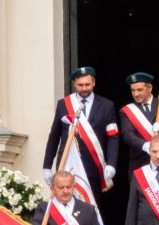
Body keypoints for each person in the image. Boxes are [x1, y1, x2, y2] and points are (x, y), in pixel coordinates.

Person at [42, 66, 119, 197]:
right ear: (74, 84)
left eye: (87, 84)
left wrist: (111, 164)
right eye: (80, 85)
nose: (84, 88)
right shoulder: (63, 104)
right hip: (67, 165)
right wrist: (47, 166)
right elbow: (54, 136)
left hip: (93, 166)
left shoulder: (107, 105)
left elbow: (113, 137)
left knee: (92, 209)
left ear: (94, 82)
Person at [119, 72, 159, 176]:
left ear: (150, 88)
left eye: (139, 90)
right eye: (133, 90)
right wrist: (145, 145)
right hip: (140, 164)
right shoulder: (126, 111)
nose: (136, 94)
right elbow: (127, 135)